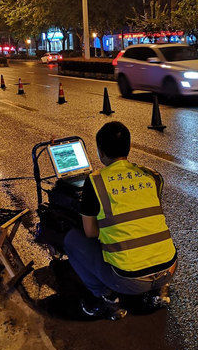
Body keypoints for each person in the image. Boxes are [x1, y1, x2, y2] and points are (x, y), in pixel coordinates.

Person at [64, 121, 178, 320]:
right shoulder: (152, 175)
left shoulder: (96, 181)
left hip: (130, 282)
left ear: (100, 152)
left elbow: (91, 233)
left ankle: (106, 298)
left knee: (72, 240)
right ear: (129, 147)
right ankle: (160, 290)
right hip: (170, 268)